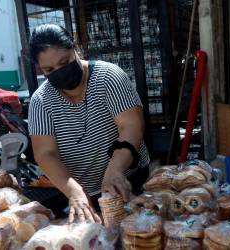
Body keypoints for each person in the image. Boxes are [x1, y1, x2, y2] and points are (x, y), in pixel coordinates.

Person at [28, 24, 150, 224]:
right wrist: (74, 191)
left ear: (76, 48)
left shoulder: (108, 77)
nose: (59, 71)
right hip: (84, 194)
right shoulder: (41, 101)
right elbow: (45, 153)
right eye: (49, 69)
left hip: (129, 180)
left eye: (64, 62)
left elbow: (131, 126)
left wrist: (115, 170)